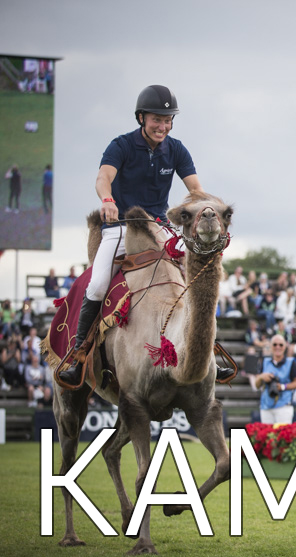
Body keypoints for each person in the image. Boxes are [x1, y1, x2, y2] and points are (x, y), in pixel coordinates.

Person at [58, 85, 235, 384]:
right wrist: (107, 200)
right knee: (98, 284)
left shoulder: (176, 149)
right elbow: (104, 177)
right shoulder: (122, 145)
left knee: (192, 279)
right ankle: (79, 354)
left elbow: (195, 189)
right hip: (121, 225)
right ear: (141, 118)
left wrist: (211, 207)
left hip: (160, 229)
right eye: (157, 119)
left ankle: (210, 350)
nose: (163, 126)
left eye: (168, 120)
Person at [255, 335, 296, 424]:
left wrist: (282, 386)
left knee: (283, 435)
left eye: (281, 345)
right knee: (267, 436)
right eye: (275, 344)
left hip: (284, 405)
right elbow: (256, 385)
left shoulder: (291, 362)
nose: (278, 347)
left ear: (285, 347)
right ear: (270, 346)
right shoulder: (265, 362)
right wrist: (262, 376)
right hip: (266, 405)